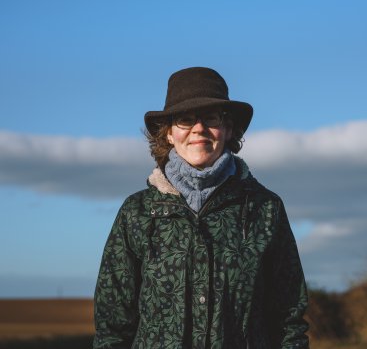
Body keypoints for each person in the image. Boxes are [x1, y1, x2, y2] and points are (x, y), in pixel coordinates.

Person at [93, 67, 309, 349]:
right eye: (185, 119)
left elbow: (289, 320)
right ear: (168, 133)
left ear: (228, 128)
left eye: (211, 117)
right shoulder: (137, 213)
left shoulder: (266, 209)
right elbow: (112, 327)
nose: (199, 128)